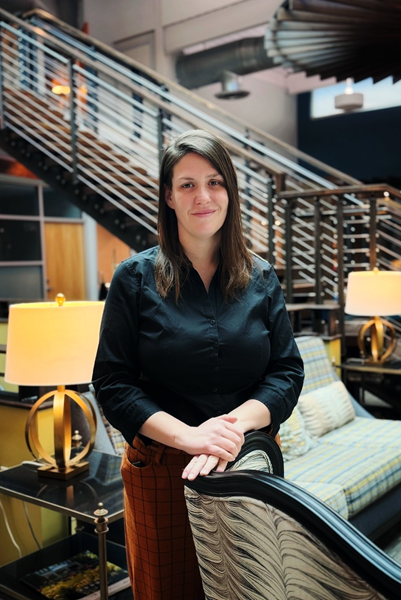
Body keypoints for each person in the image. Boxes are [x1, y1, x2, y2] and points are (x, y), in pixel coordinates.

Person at [92, 129, 304, 600]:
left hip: (248, 458)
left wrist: (229, 428)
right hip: (164, 467)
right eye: (187, 184)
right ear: (169, 196)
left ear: (229, 190)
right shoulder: (133, 278)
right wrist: (189, 437)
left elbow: (287, 372)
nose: (202, 196)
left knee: (253, 588)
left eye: (214, 182)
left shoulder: (262, 276)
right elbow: (112, 382)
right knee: (169, 590)